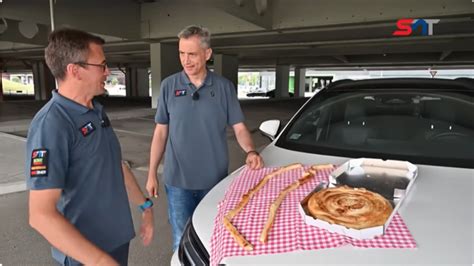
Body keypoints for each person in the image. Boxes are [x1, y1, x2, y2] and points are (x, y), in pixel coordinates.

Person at [26, 28, 154, 265]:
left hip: (115, 241)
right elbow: (40, 215)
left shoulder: (95, 111)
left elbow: (115, 163)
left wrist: (145, 206)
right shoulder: (52, 124)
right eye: (101, 65)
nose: (107, 72)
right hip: (84, 253)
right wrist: (99, 261)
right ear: (75, 70)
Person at [146, 25, 264, 251]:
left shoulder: (223, 88)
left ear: (207, 54)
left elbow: (239, 127)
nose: (185, 60)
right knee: (181, 239)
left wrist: (250, 150)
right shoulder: (169, 86)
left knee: (212, 237)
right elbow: (160, 132)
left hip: (214, 181)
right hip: (178, 182)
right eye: (181, 53)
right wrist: (152, 173)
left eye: (192, 54)